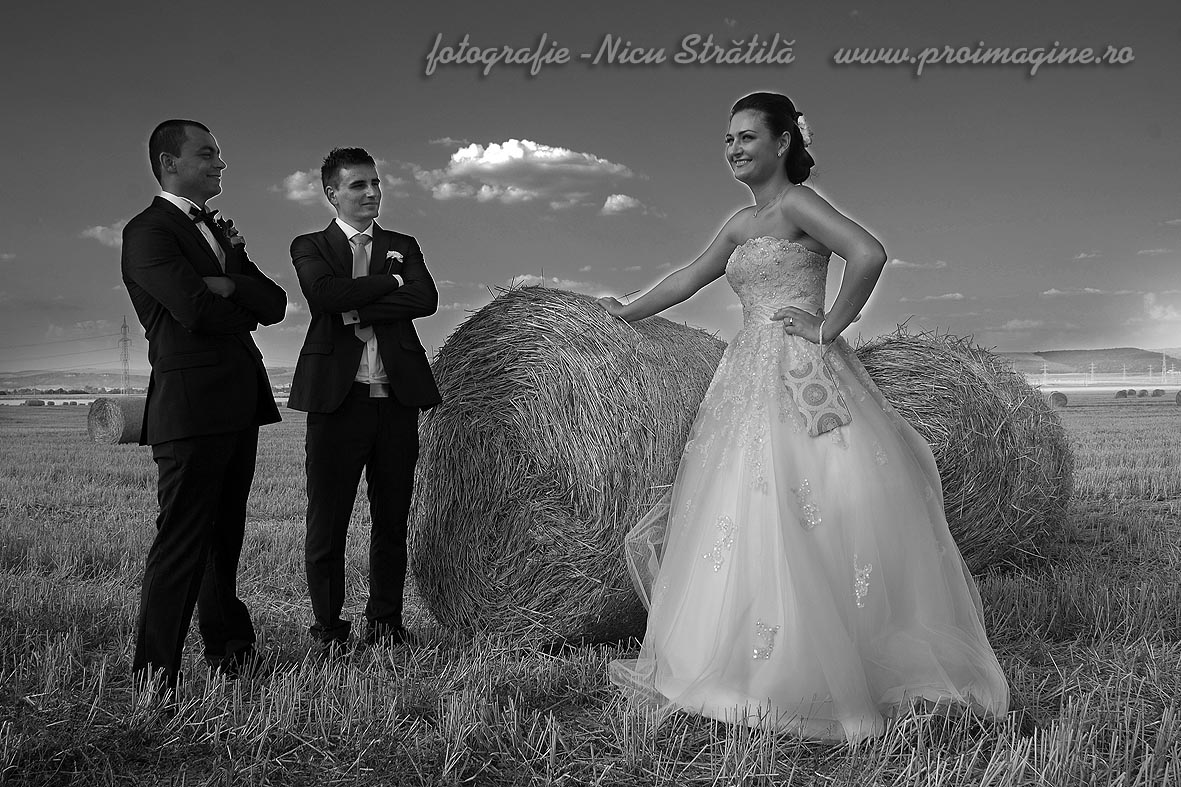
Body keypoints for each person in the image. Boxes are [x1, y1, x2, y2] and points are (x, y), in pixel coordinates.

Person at [599, 93, 1009, 742]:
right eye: (727, 139)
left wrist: (827, 325)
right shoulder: (741, 222)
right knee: (741, 507)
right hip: (745, 376)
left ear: (783, 141)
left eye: (746, 136)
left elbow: (867, 252)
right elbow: (687, 277)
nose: (733, 148)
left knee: (810, 503)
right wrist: (624, 312)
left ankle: (808, 672)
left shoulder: (796, 205)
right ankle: (742, 669)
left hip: (801, 372)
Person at [122, 119, 287, 692]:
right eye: (207, 153)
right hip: (190, 408)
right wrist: (230, 298)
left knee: (225, 539)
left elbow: (275, 303)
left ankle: (231, 651)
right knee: (181, 544)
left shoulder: (215, 229)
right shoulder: (148, 232)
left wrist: (229, 283)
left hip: (238, 402)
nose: (220, 163)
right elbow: (195, 311)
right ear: (170, 163)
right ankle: (154, 677)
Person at [288, 148, 441, 656]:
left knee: (392, 521)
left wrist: (359, 302)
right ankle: (329, 629)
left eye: (375, 183)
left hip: (396, 401)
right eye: (358, 185)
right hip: (337, 403)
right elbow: (324, 296)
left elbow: (426, 299)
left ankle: (386, 622)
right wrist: (392, 283)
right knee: (327, 523)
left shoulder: (403, 244)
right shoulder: (310, 245)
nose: (372, 192)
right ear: (332, 193)